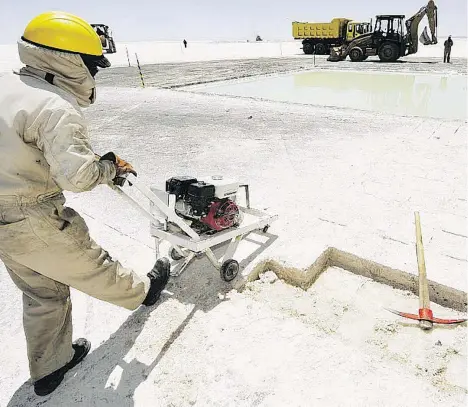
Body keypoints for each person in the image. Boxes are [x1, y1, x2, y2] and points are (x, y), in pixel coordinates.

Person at [0, 11, 170, 396]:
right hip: (32, 214)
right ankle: (144, 291)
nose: (94, 73)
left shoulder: (7, 85)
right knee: (92, 264)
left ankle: (49, 368)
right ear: (70, 60)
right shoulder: (54, 107)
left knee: (42, 293)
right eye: (92, 64)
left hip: (2, 215)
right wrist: (107, 167)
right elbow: (77, 176)